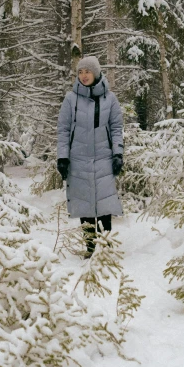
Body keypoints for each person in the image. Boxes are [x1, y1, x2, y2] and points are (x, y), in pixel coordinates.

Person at [56, 56, 124, 256]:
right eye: (80, 72)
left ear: (96, 73)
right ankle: (90, 247)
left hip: (104, 157)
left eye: (87, 71)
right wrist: (63, 157)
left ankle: (105, 246)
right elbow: (63, 129)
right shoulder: (71, 99)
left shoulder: (110, 99)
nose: (84, 76)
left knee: (104, 203)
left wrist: (118, 153)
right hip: (78, 158)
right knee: (84, 204)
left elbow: (117, 127)